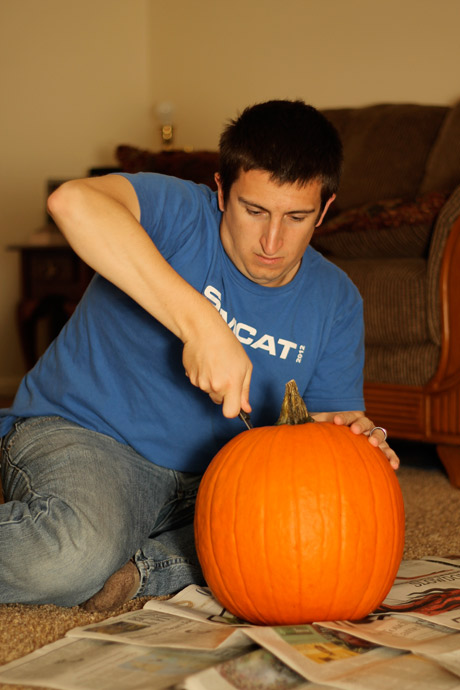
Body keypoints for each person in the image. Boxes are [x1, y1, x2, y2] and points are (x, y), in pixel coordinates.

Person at [0, 100, 398, 610]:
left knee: (307, 546)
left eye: (297, 217)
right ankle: (113, 557)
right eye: (253, 210)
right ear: (220, 190)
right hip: (90, 437)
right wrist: (202, 326)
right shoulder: (179, 210)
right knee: (69, 558)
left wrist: (358, 439)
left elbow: (320, 428)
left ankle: (137, 572)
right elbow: (72, 203)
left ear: (324, 209)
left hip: (217, 478)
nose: (272, 241)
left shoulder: (338, 300)